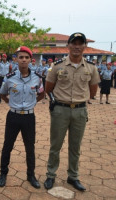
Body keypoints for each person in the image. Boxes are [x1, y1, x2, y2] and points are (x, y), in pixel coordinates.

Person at [44, 32, 100, 191]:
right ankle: (50, 175)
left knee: (75, 147)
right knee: (55, 145)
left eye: (80, 43)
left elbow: (93, 91)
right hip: (60, 111)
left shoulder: (91, 67)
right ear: (68, 45)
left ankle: (73, 177)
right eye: (73, 43)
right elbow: (49, 89)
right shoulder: (57, 66)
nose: (76, 46)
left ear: (85, 46)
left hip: (80, 112)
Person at [0, 46, 44, 188]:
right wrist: (11, 103)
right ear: (16, 59)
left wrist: (32, 103)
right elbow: (3, 94)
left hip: (29, 117)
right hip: (13, 116)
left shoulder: (37, 78)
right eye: (20, 57)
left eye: (26, 57)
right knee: (7, 146)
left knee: (30, 147)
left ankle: (31, 175)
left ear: (30, 60)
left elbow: (42, 94)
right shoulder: (9, 78)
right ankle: (3, 173)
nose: (23, 60)